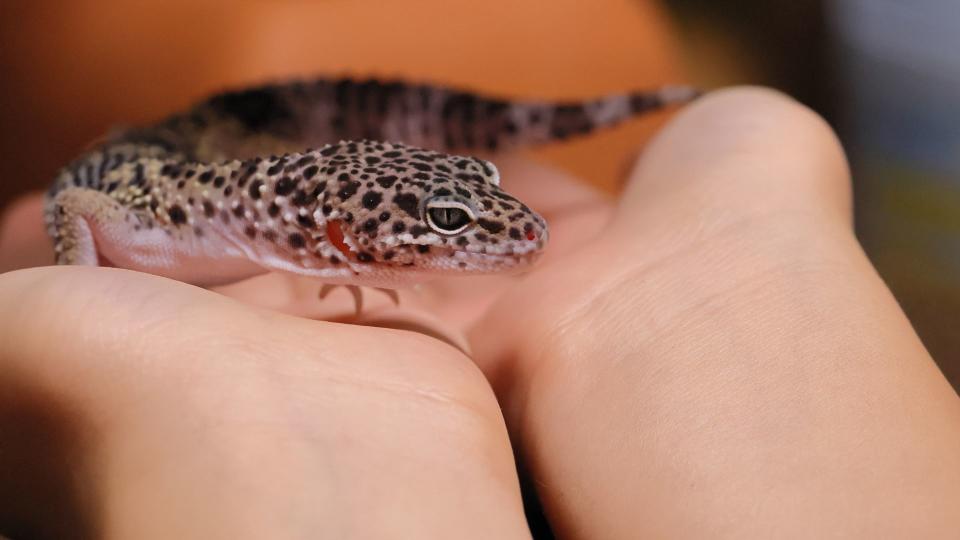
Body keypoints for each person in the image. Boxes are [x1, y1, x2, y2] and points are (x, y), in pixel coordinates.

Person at [0, 88, 957, 538]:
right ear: (338, 232)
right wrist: (92, 293)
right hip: (168, 146)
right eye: (453, 225)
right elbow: (80, 205)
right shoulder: (173, 218)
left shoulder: (295, 215)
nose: (508, 235)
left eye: (471, 201)